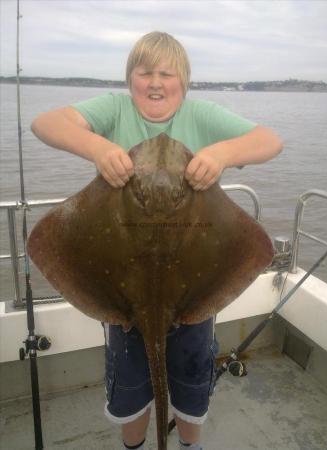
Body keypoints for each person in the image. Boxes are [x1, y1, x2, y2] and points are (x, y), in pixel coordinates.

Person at [31, 31, 282, 450]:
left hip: (193, 290)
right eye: (144, 72)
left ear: (184, 83)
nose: (155, 82)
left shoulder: (202, 115)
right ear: (129, 80)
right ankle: (135, 445)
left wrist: (220, 155)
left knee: (191, 376)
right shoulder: (114, 110)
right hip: (122, 290)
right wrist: (96, 147)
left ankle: (188, 444)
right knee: (131, 381)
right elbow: (45, 124)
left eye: (167, 74)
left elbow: (270, 141)